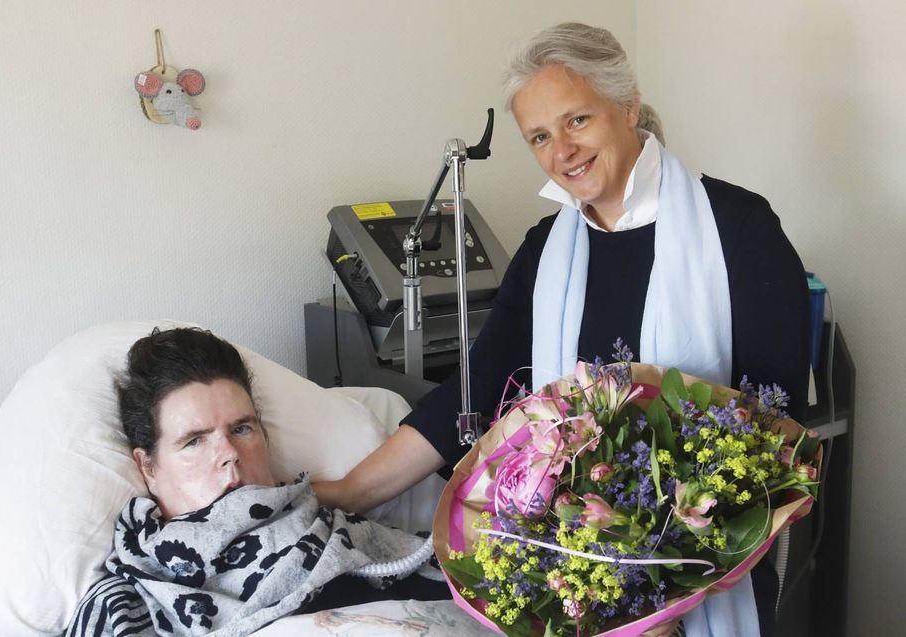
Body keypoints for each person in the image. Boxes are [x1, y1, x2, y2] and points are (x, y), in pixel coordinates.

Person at [315, 22, 810, 637]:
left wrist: (669, 592)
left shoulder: (738, 228)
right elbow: (473, 389)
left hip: (706, 565)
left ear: (627, 108)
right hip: (573, 570)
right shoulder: (547, 251)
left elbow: (776, 433)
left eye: (577, 121)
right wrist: (345, 493)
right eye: (540, 137)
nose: (563, 152)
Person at [66, 328, 447, 637]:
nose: (229, 453)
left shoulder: (353, 537)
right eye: (195, 441)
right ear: (148, 467)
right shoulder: (130, 603)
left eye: (242, 428)